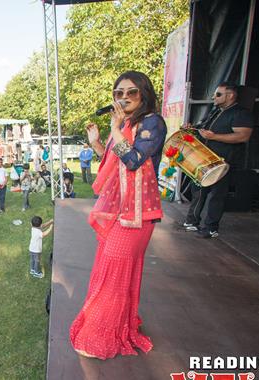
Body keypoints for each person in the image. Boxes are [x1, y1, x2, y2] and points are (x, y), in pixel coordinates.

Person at [70, 70, 166, 360]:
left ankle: (100, 336)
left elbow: (135, 160)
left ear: (144, 94)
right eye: (118, 93)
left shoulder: (152, 123)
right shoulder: (124, 125)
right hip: (117, 213)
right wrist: (98, 142)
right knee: (109, 273)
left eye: (131, 92)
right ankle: (113, 326)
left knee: (115, 275)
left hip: (137, 216)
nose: (124, 98)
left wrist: (115, 130)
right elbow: (114, 164)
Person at [183, 81, 253, 238]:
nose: (214, 97)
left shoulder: (240, 113)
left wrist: (215, 137)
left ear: (230, 95)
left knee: (217, 195)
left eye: (218, 94)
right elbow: (204, 128)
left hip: (223, 162)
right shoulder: (216, 111)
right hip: (206, 160)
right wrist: (193, 128)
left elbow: (243, 136)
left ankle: (211, 227)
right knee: (199, 190)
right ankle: (192, 221)